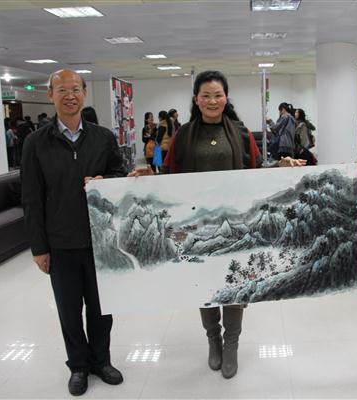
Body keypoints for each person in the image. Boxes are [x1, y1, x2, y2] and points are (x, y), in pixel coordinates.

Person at [129, 70, 305, 380]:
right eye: (206, 95)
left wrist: (281, 164)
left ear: (226, 98)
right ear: (196, 99)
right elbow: (170, 176)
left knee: (235, 283)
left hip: (236, 222)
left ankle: (231, 343)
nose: (212, 101)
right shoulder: (184, 135)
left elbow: (257, 169)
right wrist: (149, 177)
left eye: (218, 95)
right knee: (203, 285)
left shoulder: (240, 132)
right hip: (195, 224)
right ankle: (213, 339)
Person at [21, 69, 126, 396]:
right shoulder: (36, 142)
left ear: (84, 93)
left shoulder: (103, 138)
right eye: (62, 90)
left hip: (101, 240)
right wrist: (39, 247)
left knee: (102, 309)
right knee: (69, 311)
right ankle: (78, 366)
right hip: (61, 242)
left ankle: (101, 361)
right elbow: (31, 197)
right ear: (50, 95)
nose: (70, 95)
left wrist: (105, 182)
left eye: (75, 89)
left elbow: (120, 177)